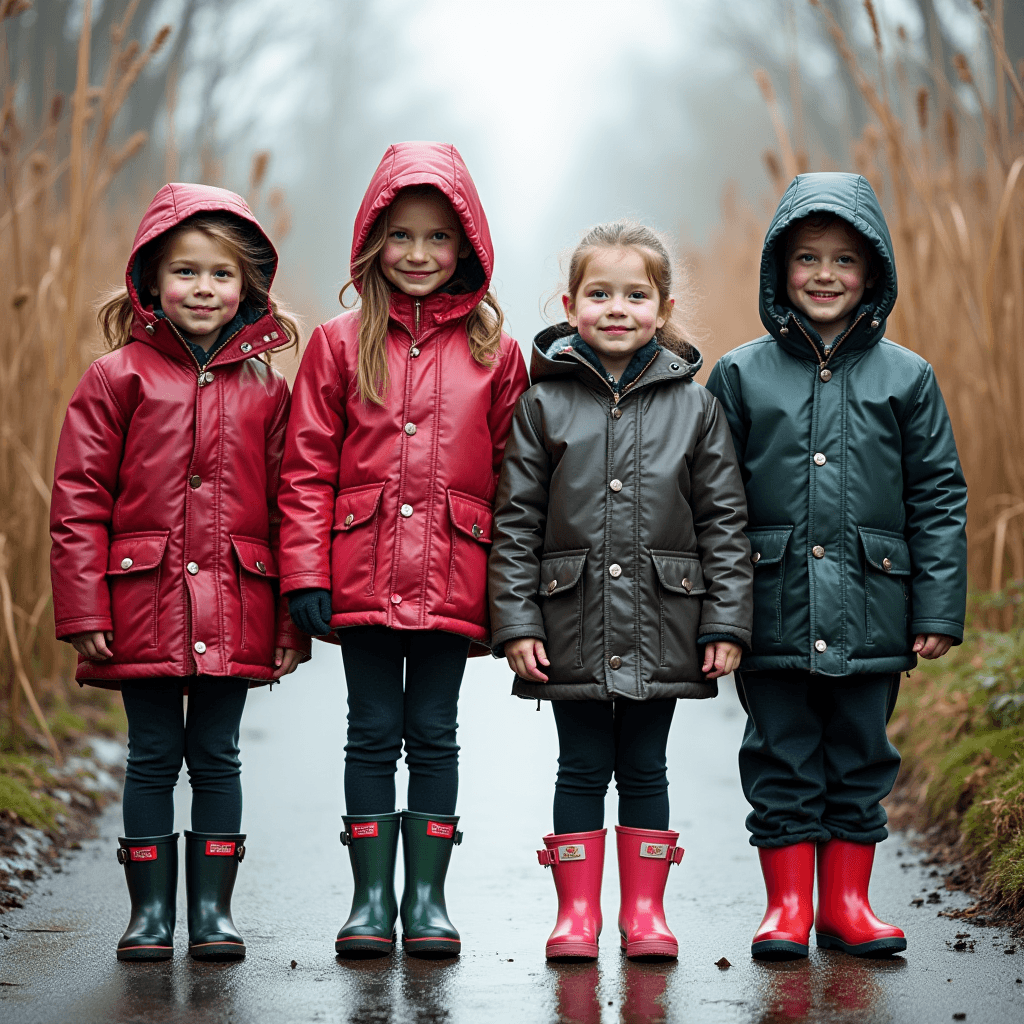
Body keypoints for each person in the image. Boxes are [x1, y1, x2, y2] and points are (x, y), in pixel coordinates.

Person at [706, 172, 968, 960]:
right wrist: (717, 610)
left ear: (874, 273)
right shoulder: (741, 374)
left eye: (845, 260)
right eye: (807, 258)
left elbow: (939, 495)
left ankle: (847, 904)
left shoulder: (908, 377)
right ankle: (787, 906)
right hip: (772, 603)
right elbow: (710, 497)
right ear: (778, 269)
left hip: (873, 607)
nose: (825, 275)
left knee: (861, 753)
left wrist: (935, 609)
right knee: (780, 751)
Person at [278, 142, 529, 959]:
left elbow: (516, 479)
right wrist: (307, 571)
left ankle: (427, 900)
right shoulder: (336, 342)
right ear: (372, 244)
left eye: (437, 239)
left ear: (467, 249)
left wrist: (510, 592)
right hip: (361, 571)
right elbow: (307, 466)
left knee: (436, 730)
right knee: (369, 730)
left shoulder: (497, 354)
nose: (418, 256)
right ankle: (368, 899)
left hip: (455, 571)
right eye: (400, 237)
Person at [50, 184, 309, 962]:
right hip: (142, 599)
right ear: (151, 282)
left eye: (221, 275)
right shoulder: (116, 378)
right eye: (185, 272)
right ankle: (150, 915)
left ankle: (214, 912)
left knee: (220, 754)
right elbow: (78, 497)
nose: (203, 289)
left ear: (248, 288)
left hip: (235, 598)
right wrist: (83, 606)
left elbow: (289, 504)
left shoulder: (267, 389)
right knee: (154, 753)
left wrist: (291, 619)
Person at [488, 221, 753, 961]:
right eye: (599, 294)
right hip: (568, 618)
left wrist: (725, 622)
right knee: (578, 767)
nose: (617, 308)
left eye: (636, 295)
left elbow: (723, 520)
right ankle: (577, 917)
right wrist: (516, 623)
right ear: (570, 305)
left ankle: (645, 914)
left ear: (663, 310)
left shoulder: (695, 408)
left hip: (666, 619)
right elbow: (516, 520)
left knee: (645, 767)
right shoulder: (543, 406)